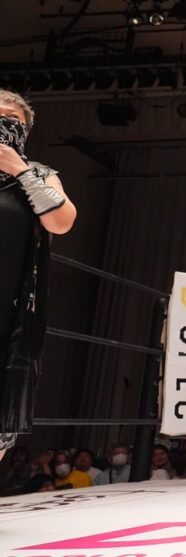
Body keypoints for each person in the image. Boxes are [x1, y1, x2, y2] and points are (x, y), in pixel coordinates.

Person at [0, 90, 77, 459]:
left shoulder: (41, 174)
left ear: (25, 131)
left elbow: (61, 221)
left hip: (9, 309)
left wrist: (20, 170)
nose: (3, 122)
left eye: (11, 118)